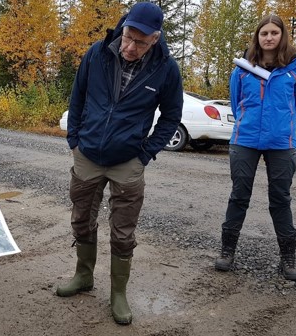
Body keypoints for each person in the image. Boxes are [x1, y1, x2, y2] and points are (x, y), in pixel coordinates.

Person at [56, 2, 183, 325]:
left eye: (139, 42)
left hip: (128, 160)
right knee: (81, 218)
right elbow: (78, 96)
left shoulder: (166, 69)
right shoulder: (97, 53)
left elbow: (170, 118)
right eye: (127, 37)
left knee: (123, 230)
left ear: (155, 39)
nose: (129, 47)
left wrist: (146, 153)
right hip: (87, 154)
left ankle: (118, 293)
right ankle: (83, 276)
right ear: (123, 26)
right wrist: (75, 141)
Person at [215, 14, 296, 281]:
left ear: (282, 36)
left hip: (282, 143)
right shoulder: (242, 69)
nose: (269, 37)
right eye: (264, 33)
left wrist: (281, 124)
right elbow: (237, 104)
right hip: (245, 140)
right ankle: (227, 250)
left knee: (281, 199)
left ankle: (288, 257)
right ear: (257, 37)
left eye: (274, 33)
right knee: (239, 195)